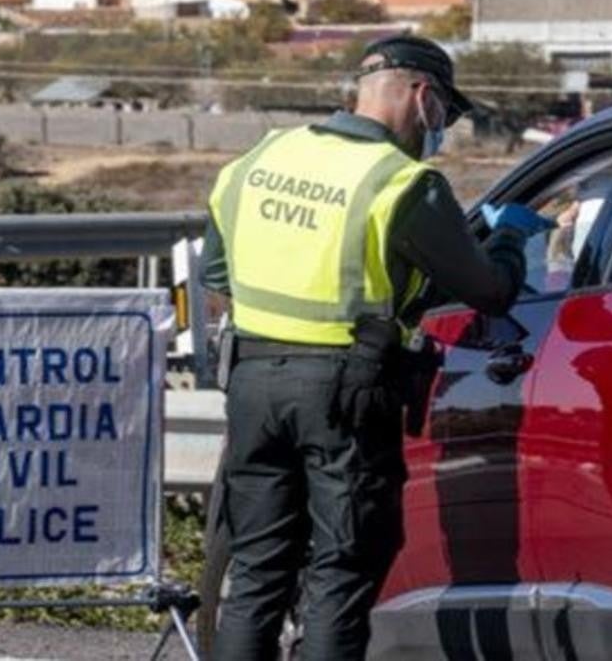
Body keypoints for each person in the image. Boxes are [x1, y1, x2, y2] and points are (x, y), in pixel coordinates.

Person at [200, 34, 551, 661]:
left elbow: (218, 277)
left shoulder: (259, 158)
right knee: (341, 572)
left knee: (256, 574)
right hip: (345, 395)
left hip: (251, 385)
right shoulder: (404, 182)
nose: (441, 127)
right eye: (445, 111)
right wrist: (511, 238)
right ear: (423, 96)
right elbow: (490, 292)